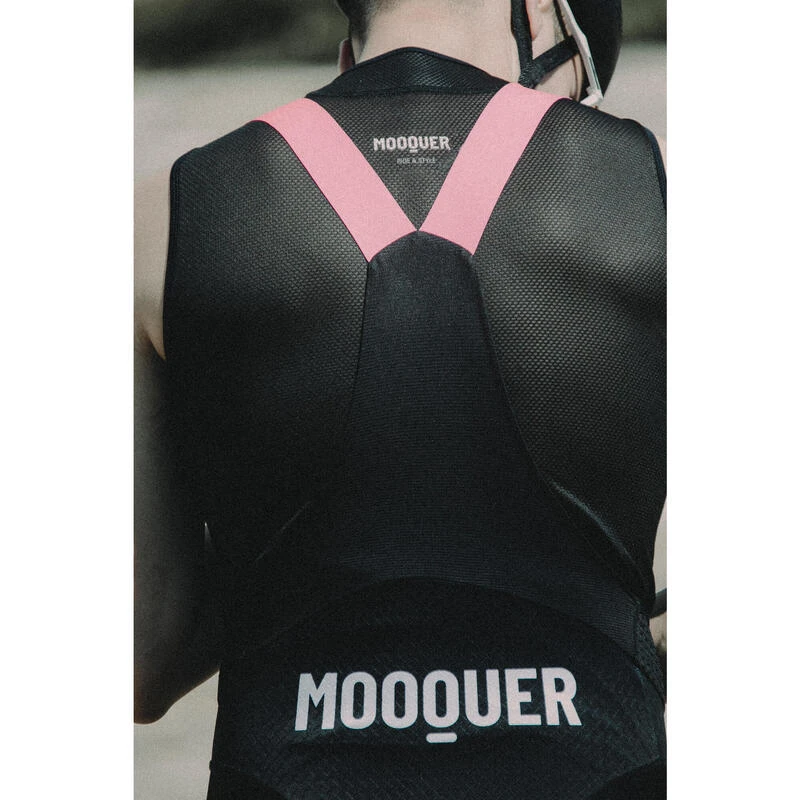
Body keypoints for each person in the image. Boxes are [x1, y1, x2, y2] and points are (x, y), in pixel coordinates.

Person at [134, 1, 667, 797]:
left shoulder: (163, 218)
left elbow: (142, 656)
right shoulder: (662, 191)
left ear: (347, 46)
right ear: (541, 18)